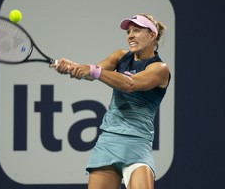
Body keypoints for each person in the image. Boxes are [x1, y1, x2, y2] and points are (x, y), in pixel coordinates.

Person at [53, 13, 170, 189]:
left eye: (137, 30)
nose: (130, 35)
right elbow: (90, 74)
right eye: (129, 31)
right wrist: (71, 67)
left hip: (138, 145)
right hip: (109, 141)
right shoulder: (120, 56)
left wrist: (92, 71)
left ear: (152, 35)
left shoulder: (160, 68)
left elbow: (130, 84)